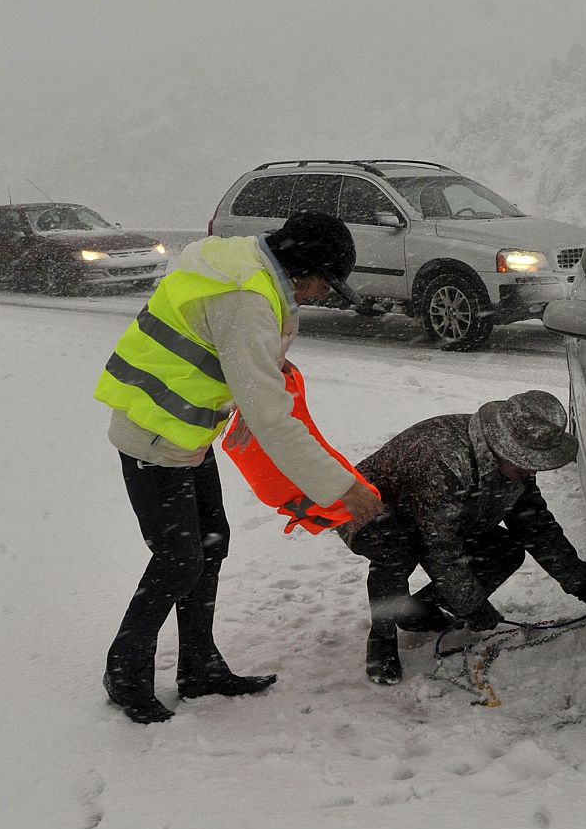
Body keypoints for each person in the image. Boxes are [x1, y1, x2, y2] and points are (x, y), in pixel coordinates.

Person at [93, 211, 385, 723]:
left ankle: (199, 667)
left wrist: (250, 393)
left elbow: (235, 358)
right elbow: (275, 421)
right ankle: (125, 672)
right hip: (155, 433)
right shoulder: (246, 299)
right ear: (301, 269)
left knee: (210, 542)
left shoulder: (246, 265)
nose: (324, 295)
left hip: (183, 432)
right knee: (179, 559)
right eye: (324, 282)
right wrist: (343, 490)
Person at [338, 391, 586, 684]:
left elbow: (537, 529)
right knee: (398, 550)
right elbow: (441, 550)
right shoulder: (446, 462)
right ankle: (382, 637)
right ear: (503, 447)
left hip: (441, 514)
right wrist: (471, 604)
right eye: (525, 462)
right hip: (366, 507)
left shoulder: (515, 467)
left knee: (506, 549)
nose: (532, 469)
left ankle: (418, 612)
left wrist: (585, 587)